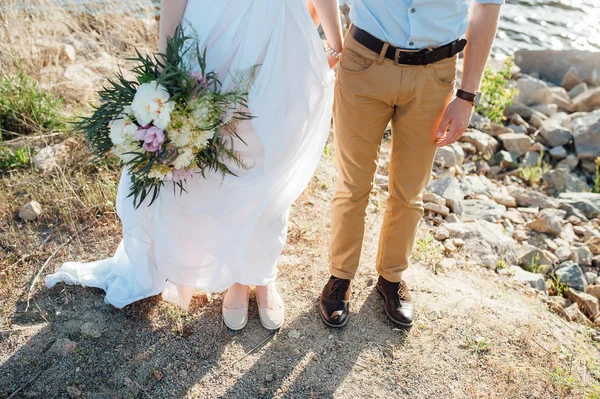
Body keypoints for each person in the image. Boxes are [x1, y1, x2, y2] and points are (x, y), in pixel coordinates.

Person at [46, 0, 343, 331]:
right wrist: (166, 61)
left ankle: (260, 273)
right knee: (217, 160)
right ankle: (234, 276)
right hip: (213, 36)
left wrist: (329, 42)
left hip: (277, 37)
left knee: (268, 155)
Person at [319, 0, 503, 328]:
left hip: (435, 75)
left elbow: (486, 7)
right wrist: (334, 44)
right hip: (363, 62)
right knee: (353, 182)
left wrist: (467, 96)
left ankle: (391, 278)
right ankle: (340, 276)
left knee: (410, 189)